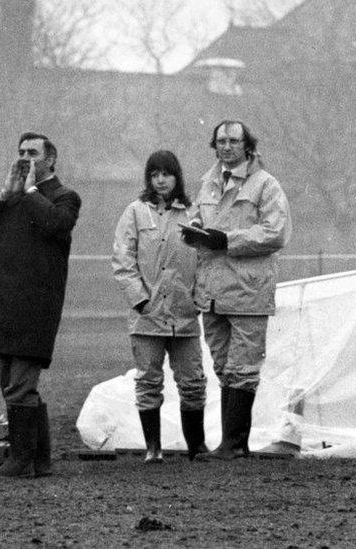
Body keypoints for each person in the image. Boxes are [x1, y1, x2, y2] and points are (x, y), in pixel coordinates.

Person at [0, 132, 81, 479]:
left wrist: (30, 191)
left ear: (50, 159)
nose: (24, 157)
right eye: (20, 151)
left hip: (37, 307)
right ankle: (39, 461)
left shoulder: (65, 198)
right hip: (4, 305)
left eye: (32, 152)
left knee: (19, 386)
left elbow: (55, 225)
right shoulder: (11, 199)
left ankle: (19, 462)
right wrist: (4, 193)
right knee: (13, 385)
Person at [184, 120, 291, 461]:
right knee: (222, 366)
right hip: (213, 291)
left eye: (233, 141)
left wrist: (228, 240)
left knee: (243, 367)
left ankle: (233, 444)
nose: (226, 146)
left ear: (247, 145)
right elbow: (197, 217)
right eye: (220, 141)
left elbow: (276, 233)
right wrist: (196, 229)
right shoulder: (208, 184)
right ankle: (234, 443)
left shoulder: (266, 185)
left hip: (248, 291)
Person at [111, 150, 208, 463]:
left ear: (177, 176)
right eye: (155, 174)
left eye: (167, 174)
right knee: (148, 381)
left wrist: (199, 299)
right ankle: (153, 448)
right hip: (147, 315)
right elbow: (123, 259)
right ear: (148, 179)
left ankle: (197, 447)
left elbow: (206, 258)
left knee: (192, 382)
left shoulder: (194, 213)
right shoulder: (135, 213)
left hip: (185, 314)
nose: (161, 180)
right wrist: (139, 299)